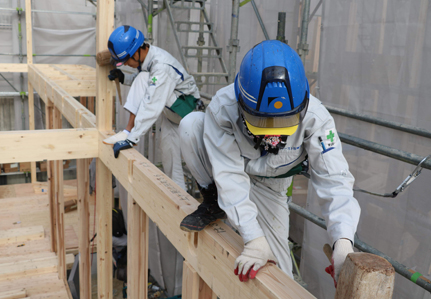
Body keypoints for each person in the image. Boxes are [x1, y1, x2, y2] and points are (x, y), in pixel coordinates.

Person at [178, 40, 361, 285]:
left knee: (280, 272)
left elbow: (335, 181)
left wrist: (343, 241)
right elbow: (229, 176)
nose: (271, 134)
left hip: (272, 185)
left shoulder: (317, 119)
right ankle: (213, 201)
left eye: (282, 123)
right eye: (262, 123)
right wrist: (253, 239)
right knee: (190, 125)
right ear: (243, 105)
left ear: (301, 106)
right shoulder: (224, 108)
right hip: (232, 172)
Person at [104, 25, 200, 190]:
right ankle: (178, 205)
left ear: (136, 53)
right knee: (170, 163)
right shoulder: (148, 59)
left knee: (198, 166)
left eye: (126, 60)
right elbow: (148, 85)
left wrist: (132, 138)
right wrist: (123, 78)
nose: (126, 64)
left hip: (186, 111)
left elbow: (151, 104)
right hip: (172, 113)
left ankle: (127, 131)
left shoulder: (161, 67)